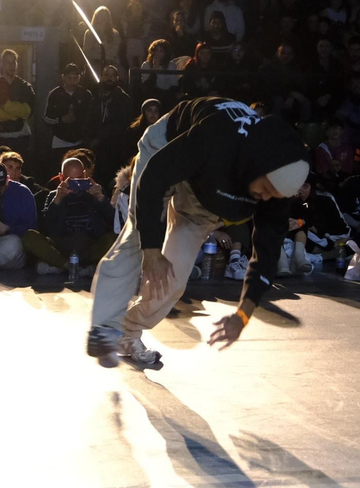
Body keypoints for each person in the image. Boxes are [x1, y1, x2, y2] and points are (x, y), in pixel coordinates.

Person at [86, 97, 311, 369]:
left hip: (203, 198)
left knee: (172, 280)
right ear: (257, 165)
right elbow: (154, 178)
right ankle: (105, 328)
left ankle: (127, 331)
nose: (265, 198)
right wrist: (152, 250)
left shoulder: (275, 192)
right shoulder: (216, 138)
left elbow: (266, 253)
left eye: (273, 195)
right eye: (265, 188)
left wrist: (243, 315)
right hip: (167, 148)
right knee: (138, 238)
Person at [25, 156, 115, 279]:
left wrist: (100, 199)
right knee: (29, 236)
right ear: (61, 178)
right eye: (71, 180)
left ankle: (61, 266)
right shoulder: (53, 196)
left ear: (85, 175)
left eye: (79, 179)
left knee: (114, 239)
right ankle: (69, 266)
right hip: (62, 247)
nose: (76, 184)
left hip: (89, 245)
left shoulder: (95, 193)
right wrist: (58, 200)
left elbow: (113, 220)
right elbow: (46, 226)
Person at [0, 48, 34, 157]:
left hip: (21, 138)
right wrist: (17, 113)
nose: (11, 66)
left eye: (13, 62)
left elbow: (28, 112)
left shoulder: (25, 86)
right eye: (8, 62)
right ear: (2, 64)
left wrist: (5, 105)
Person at [43, 62, 96, 153]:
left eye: (75, 78)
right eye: (69, 78)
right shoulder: (54, 94)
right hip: (59, 141)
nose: (72, 82)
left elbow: (92, 118)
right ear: (63, 77)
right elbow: (46, 118)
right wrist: (61, 120)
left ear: (79, 78)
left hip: (80, 141)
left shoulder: (86, 94)